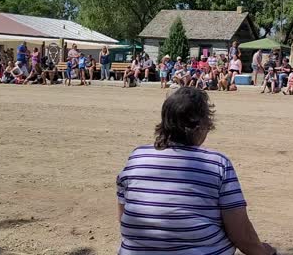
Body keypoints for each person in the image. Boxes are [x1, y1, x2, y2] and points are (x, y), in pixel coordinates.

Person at [116, 87, 276, 255]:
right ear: (200, 125)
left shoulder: (137, 156)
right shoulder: (217, 164)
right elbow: (241, 234)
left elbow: (124, 216)